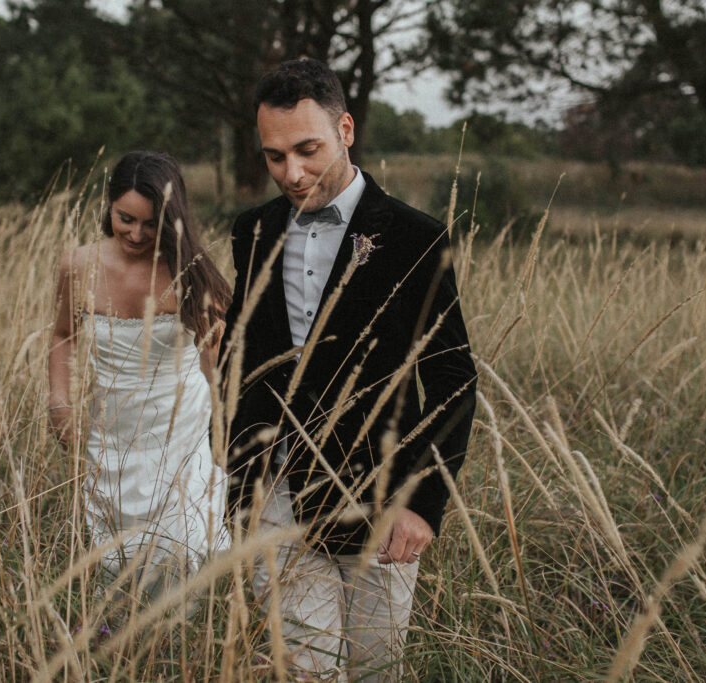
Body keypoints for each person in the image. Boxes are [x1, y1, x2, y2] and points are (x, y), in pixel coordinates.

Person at [220, 59, 477, 680]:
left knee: (373, 670)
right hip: (275, 495)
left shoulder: (416, 238)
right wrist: (235, 480)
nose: (292, 173)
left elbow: (450, 379)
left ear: (345, 129)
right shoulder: (253, 231)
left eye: (307, 149)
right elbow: (241, 357)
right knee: (309, 670)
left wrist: (423, 502)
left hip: (379, 501)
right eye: (275, 157)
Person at [49, 151, 232, 597]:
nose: (135, 233)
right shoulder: (78, 265)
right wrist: (60, 401)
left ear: (172, 220)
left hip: (180, 426)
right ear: (108, 206)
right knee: (116, 551)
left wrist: (221, 404)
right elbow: (62, 336)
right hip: (110, 424)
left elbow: (222, 368)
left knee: (184, 545)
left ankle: (184, 642)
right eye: (124, 218)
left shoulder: (192, 273)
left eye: (150, 224)